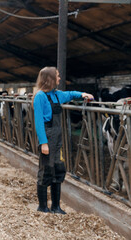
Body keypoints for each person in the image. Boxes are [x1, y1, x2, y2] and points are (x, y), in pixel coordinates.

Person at [33, 66, 94, 214]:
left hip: (58, 137)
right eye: (58, 76)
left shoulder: (56, 95)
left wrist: (83, 94)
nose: (60, 78)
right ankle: (42, 207)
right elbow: (38, 121)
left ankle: (55, 206)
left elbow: (70, 94)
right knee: (46, 170)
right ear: (50, 79)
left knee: (58, 169)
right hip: (47, 136)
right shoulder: (40, 96)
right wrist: (43, 143)